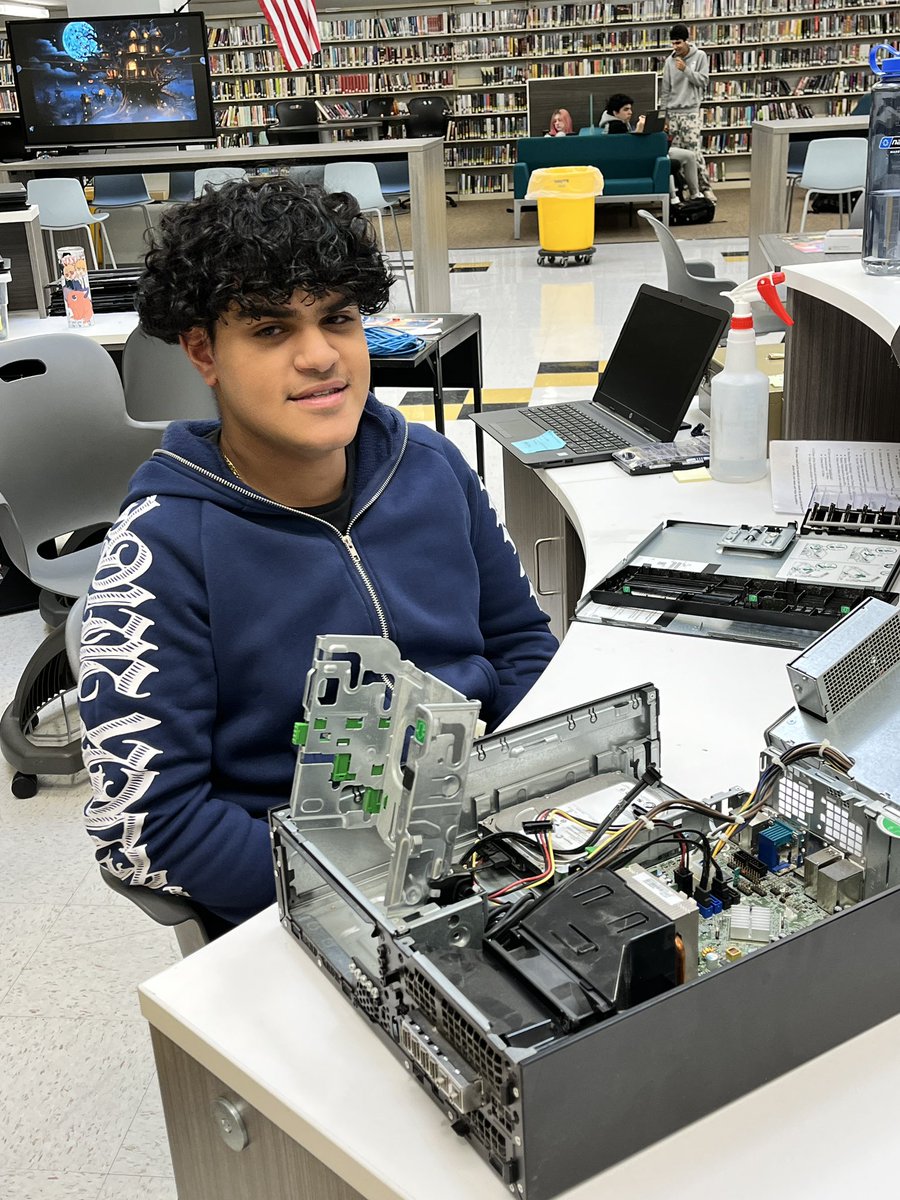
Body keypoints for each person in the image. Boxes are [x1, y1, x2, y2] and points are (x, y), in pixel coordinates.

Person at [78, 178, 558, 929]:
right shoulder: (163, 548)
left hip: (492, 838)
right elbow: (150, 822)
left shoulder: (430, 466)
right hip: (309, 896)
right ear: (204, 353)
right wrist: (367, 890)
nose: (319, 357)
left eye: (338, 319)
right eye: (271, 331)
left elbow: (523, 644)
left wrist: (529, 795)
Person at [600, 92, 702, 206]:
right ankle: (674, 199)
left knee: (689, 155)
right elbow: (628, 151)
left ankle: (695, 194)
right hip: (634, 163)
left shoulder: (622, 122)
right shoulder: (615, 126)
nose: (630, 112)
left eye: (630, 109)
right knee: (667, 161)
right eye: (626, 109)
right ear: (615, 112)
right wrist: (639, 131)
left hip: (644, 154)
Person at [659, 23, 716, 202]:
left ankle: (705, 188)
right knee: (676, 154)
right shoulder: (669, 61)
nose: (675, 47)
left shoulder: (699, 56)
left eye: (678, 43)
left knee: (694, 153)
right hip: (673, 114)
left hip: (690, 112)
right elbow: (666, 90)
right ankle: (685, 189)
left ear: (686, 41)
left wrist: (685, 70)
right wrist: (663, 115)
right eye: (673, 44)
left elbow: (703, 81)